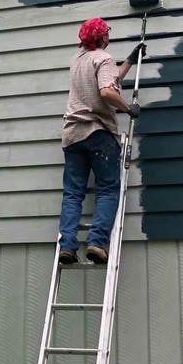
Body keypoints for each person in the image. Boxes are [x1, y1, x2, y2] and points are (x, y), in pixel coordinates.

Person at [58, 17, 142, 266]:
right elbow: (106, 91)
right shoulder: (102, 59)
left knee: (73, 193)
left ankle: (67, 247)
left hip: (72, 135)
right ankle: (96, 243)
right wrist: (128, 109)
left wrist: (128, 61)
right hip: (97, 133)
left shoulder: (78, 59)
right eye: (107, 32)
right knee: (107, 189)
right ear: (102, 37)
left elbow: (109, 80)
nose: (109, 36)